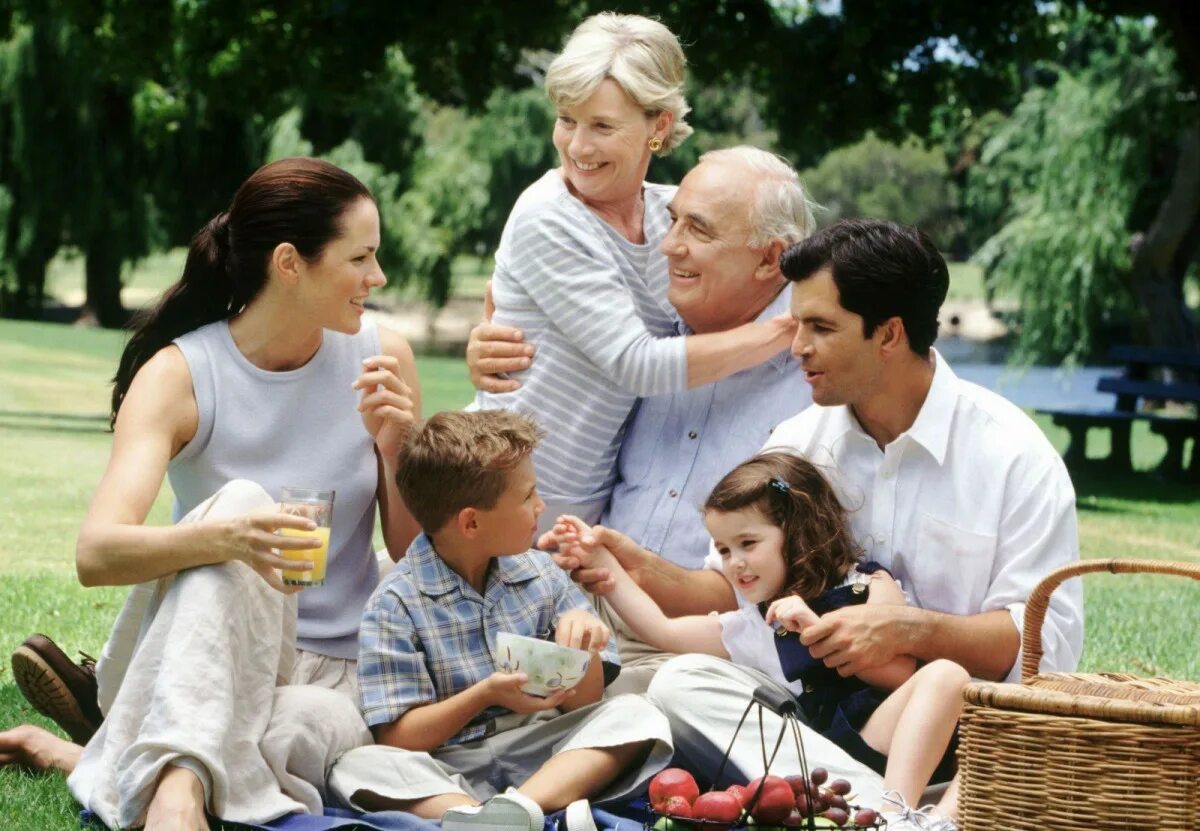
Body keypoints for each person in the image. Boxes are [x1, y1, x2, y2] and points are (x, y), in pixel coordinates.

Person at [562, 218, 1082, 819]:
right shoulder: (799, 443)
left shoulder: (1014, 455)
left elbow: (1047, 647)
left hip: (952, 731)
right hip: (816, 723)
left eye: (821, 327)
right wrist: (636, 563)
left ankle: (843, 802)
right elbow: (733, 595)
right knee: (682, 684)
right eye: (797, 322)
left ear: (887, 334)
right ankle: (888, 813)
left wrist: (907, 631)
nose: (796, 346)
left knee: (977, 712)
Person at [1, 157, 421, 831]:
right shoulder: (181, 375)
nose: (379, 278)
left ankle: (100, 757)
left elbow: (408, 548)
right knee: (243, 499)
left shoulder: (382, 360)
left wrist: (398, 444)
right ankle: (175, 800)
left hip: (329, 671)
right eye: (361, 258)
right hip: (187, 651)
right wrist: (228, 536)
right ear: (290, 262)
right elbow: (96, 552)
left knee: (303, 730)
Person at [471, 145, 817, 693]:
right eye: (672, 219)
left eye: (698, 230)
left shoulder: (815, 370)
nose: (669, 244)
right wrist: (488, 342)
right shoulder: (648, 326)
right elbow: (515, 314)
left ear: (770, 259)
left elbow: (791, 580)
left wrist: (642, 573)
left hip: (705, 650)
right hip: (582, 615)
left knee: (616, 706)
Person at [473, 14, 795, 529]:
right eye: (567, 120)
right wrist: (784, 331)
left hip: (583, 516)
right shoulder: (547, 216)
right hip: (492, 505)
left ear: (659, 125)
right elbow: (637, 364)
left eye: (602, 126)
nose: (578, 147)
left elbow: (779, 254)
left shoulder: (672, 217)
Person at [552, 451, 969, 829]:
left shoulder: (869, 585)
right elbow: (662, 630)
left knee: (948, 675)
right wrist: (605, 566)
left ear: (798, 530)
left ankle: (894, 815)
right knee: (677, 678)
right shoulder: (757, 623)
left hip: (890, 737)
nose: (735, 563)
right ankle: (895, 818)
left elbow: (898, 674)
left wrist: (814, 630)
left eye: (748, 544)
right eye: (724, 550)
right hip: (822, 756)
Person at [326, 410, 672, 831]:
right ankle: (493, 815)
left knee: (636, 713)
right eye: (528, 497)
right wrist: (485, 693)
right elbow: (397, 737)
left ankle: (507, 814)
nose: (540, 507)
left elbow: (586, 702)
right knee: (358, 766)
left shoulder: (542, 575)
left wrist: (585, 650)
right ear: (471, 522)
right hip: (449, 767)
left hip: (546, 747)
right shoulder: (394, 604)